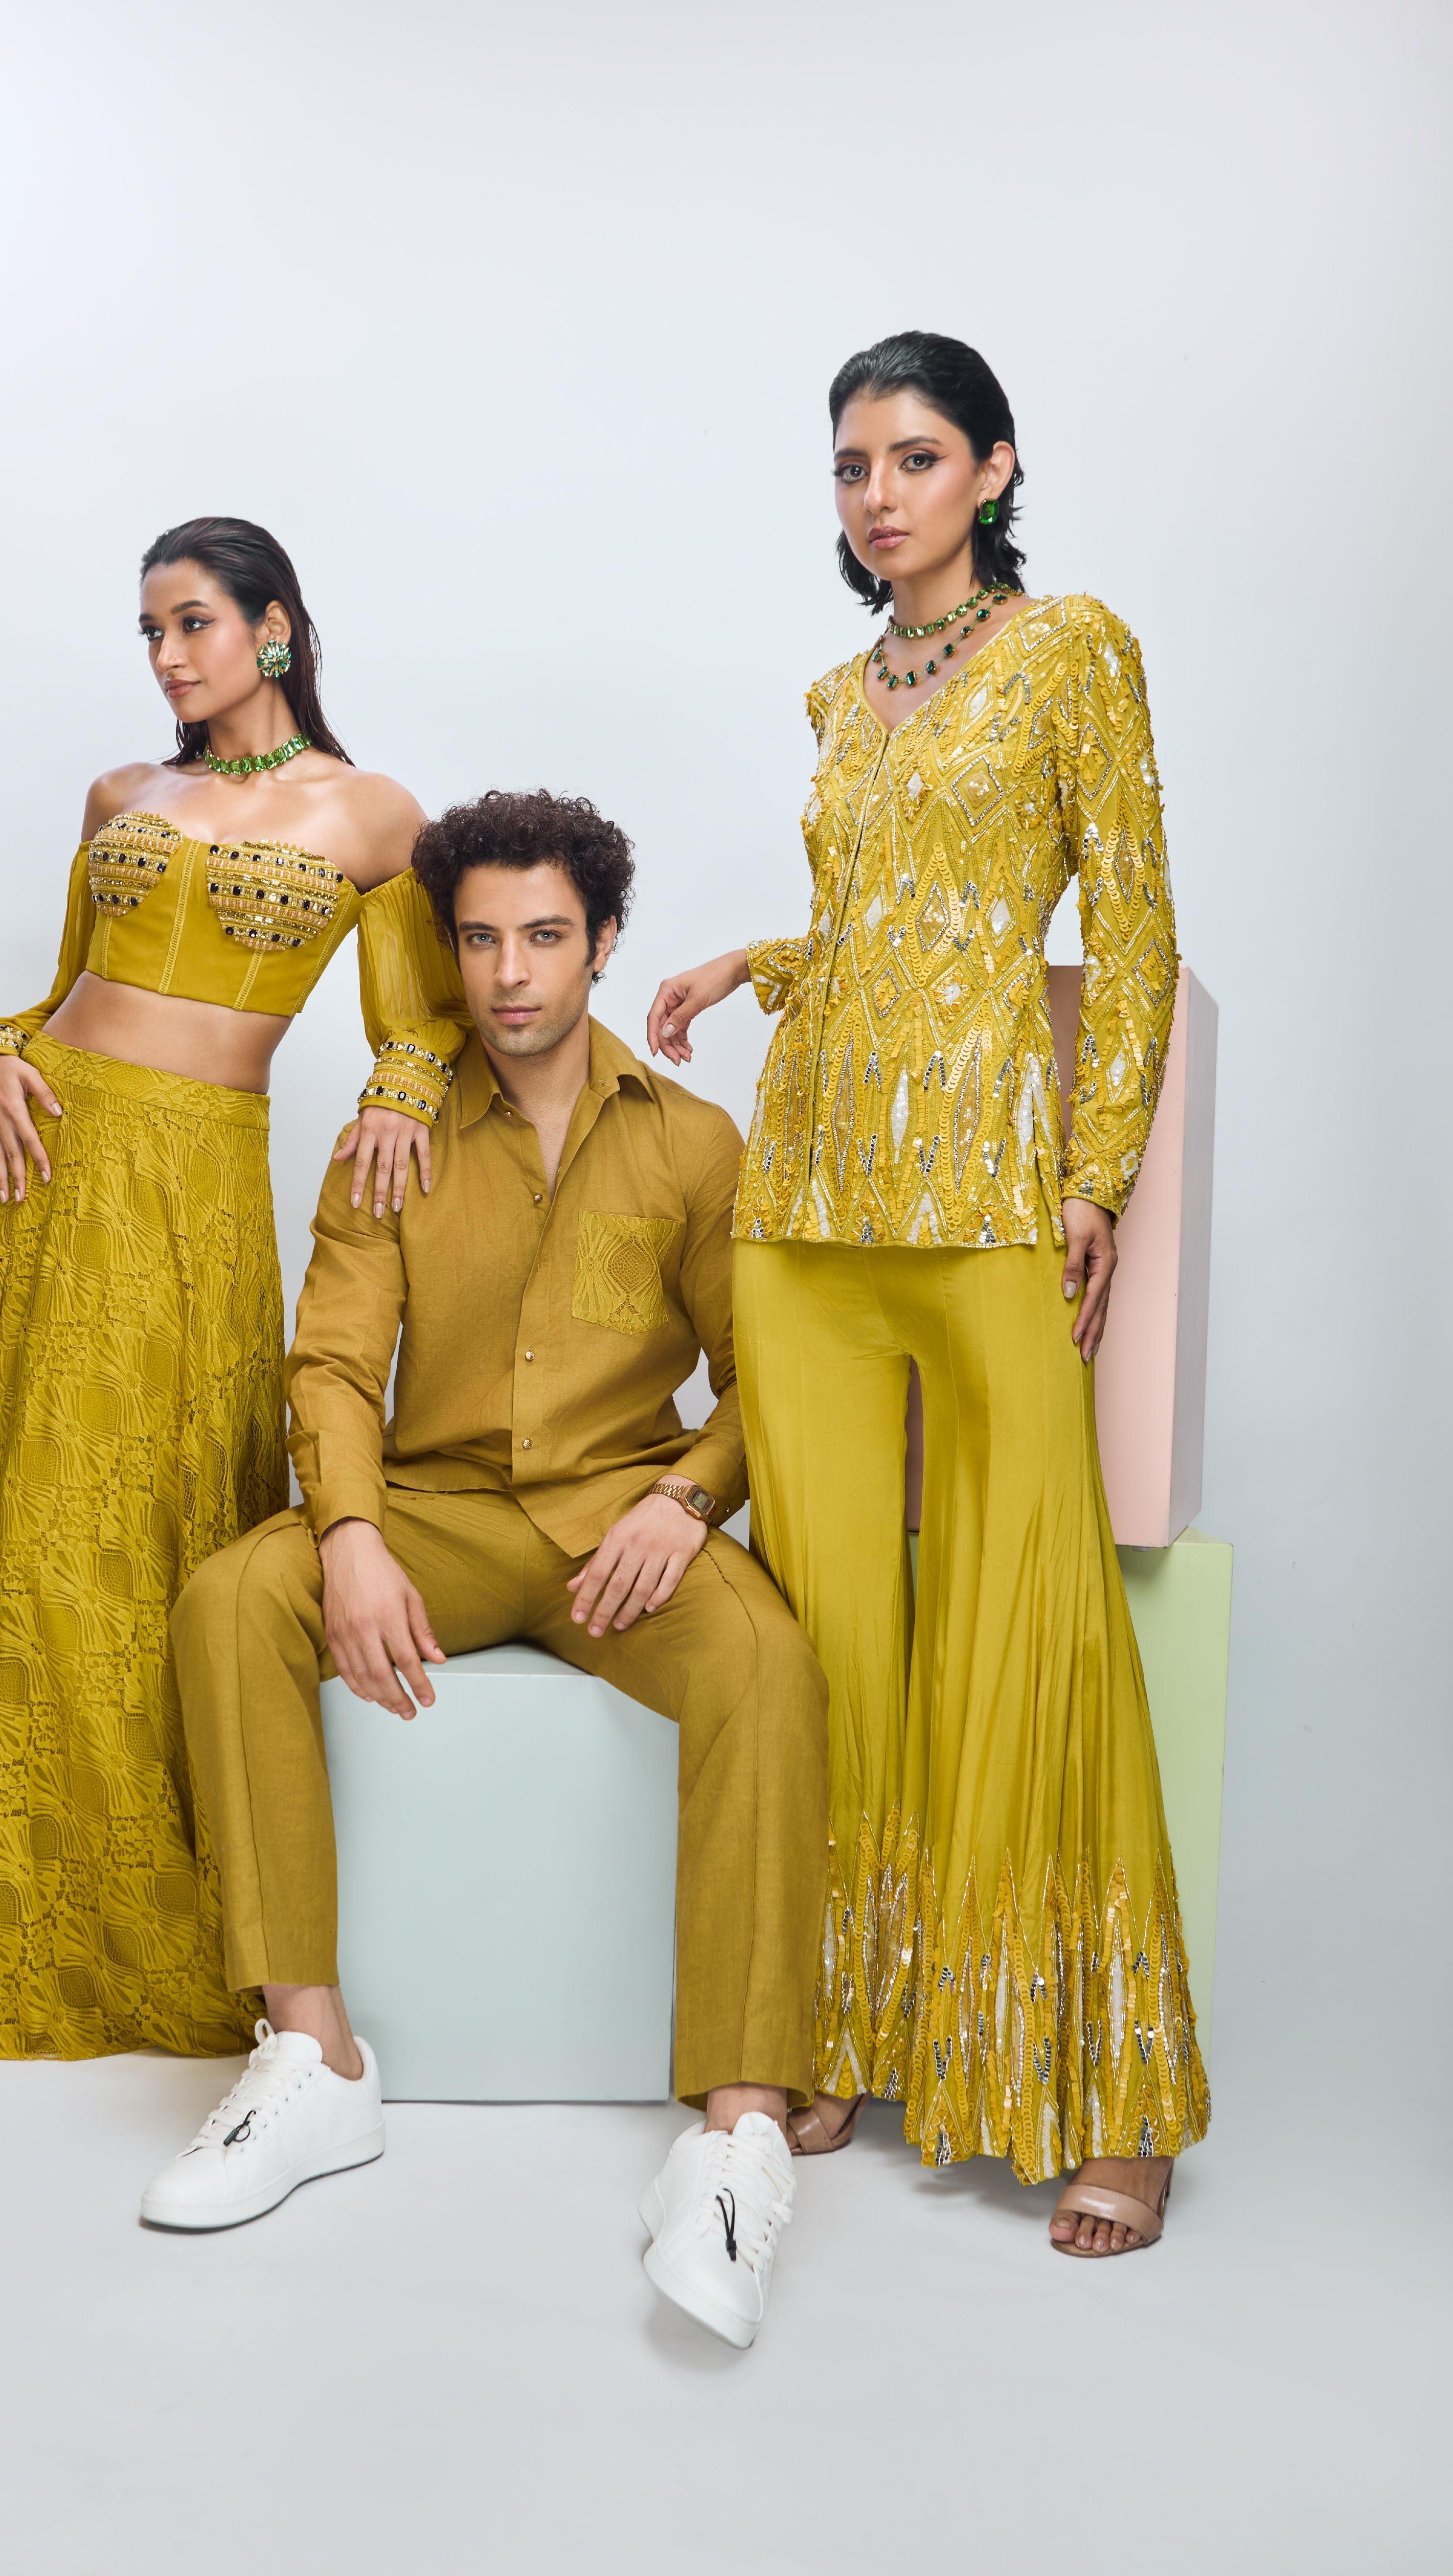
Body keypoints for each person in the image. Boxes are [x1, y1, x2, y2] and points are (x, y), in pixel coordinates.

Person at [645, 333, 1210, 2258]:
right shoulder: (843, 688)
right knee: (834, 1636)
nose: (877, 495)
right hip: (808, 1203)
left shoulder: (1075, 651)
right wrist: (762, 961)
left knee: (1033, 1617)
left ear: (995, 468)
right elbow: (898, 928)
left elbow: (1127, 922)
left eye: (913, 458)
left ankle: (1112, 2097)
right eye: (851, 466)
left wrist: (1094, 1174)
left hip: (983, 1201)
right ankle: (851, 2032)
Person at [146, 790, 828, 2350]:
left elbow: (761, 1378)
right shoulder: (391, 1136)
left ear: (603, 944)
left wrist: (688, 1499)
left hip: (622, 1527)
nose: (510, 972)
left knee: (770, 1666)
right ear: (448, 951)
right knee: (230, 1599)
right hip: (438, 1514)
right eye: (478, 939)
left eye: (543, 936)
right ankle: (314, 2060)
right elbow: (333, 1364)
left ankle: (737, 2143)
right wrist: (351, 1534)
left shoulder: (693, 1142)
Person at [0, 517, 465, 2062]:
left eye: (193, 624)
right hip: (47, 1167)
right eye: (152, 634)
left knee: (138, 1527)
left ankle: (141, 1917)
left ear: (275, 628)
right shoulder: (123, 795)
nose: (170, 658)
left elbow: (427, 1022)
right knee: (23, 1522)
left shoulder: (371, 815)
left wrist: (402, 1092)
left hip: (192, 1185)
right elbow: (52, 1001)